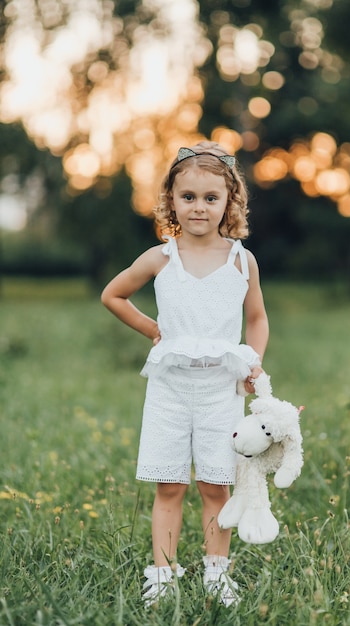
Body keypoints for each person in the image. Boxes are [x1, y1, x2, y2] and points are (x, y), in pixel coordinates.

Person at [101, 141, 269, 607]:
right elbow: (113, 295)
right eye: (188, 196)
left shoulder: (241, 260)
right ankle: (163, 573)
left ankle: (217, 574)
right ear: (171, 199)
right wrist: (153, 329)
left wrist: (253, 360)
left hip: (221, 390)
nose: (199, 207)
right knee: (170, 483)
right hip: (171, 389)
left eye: (211, 198)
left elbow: (256, 318)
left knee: (217, 484)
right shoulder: (162, 257)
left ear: (228, 202)